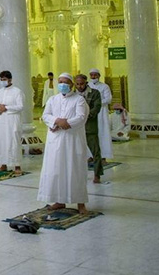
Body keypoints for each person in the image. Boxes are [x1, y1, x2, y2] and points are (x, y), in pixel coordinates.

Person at [39, 72, 90, 213]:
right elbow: (45, 115)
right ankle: (59, 200)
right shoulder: (52, 99)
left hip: (72, 140)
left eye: (65, 82)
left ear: (71, 85)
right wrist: (56, 121)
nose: (62, 85)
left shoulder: (79, 100)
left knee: (75, 169)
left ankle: (81, 203)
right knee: (57, 169)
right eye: (60, 82)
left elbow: (81, 117)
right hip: (55, 141)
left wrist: (65, 123)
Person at [0, 70, 23, 176]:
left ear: (10, 79)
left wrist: (6, 108)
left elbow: (20, 106)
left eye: (4, 79)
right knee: (1, 141)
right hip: (1, 121)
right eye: (1, 79)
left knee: (13, 141)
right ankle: (3, 164)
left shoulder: (17, 91)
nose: (2, 81)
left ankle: (17, 165)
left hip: (12, 120)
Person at [75, 74, 104, 183]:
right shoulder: (73, 95)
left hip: (90, 127)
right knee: (76, 153)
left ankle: (97, 174)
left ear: (86, 83)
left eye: (82, 84)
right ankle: (77, 174)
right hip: (76, 128)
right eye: (77, 84)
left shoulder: (94, 93)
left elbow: (96, 108)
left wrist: (83, 116)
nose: (80, 86)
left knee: (95, 152)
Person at [88, 69, 113, 164]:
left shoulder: (104, 86)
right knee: (90, 134)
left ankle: (103, 157)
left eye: (95, 75)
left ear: (99, 76)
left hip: (101, 112)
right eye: (92, 75)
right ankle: (91, 155)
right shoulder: (87, 86)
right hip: (90, 112)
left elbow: (108, 99)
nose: (93, 77)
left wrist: (97, 103)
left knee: (102, 133)